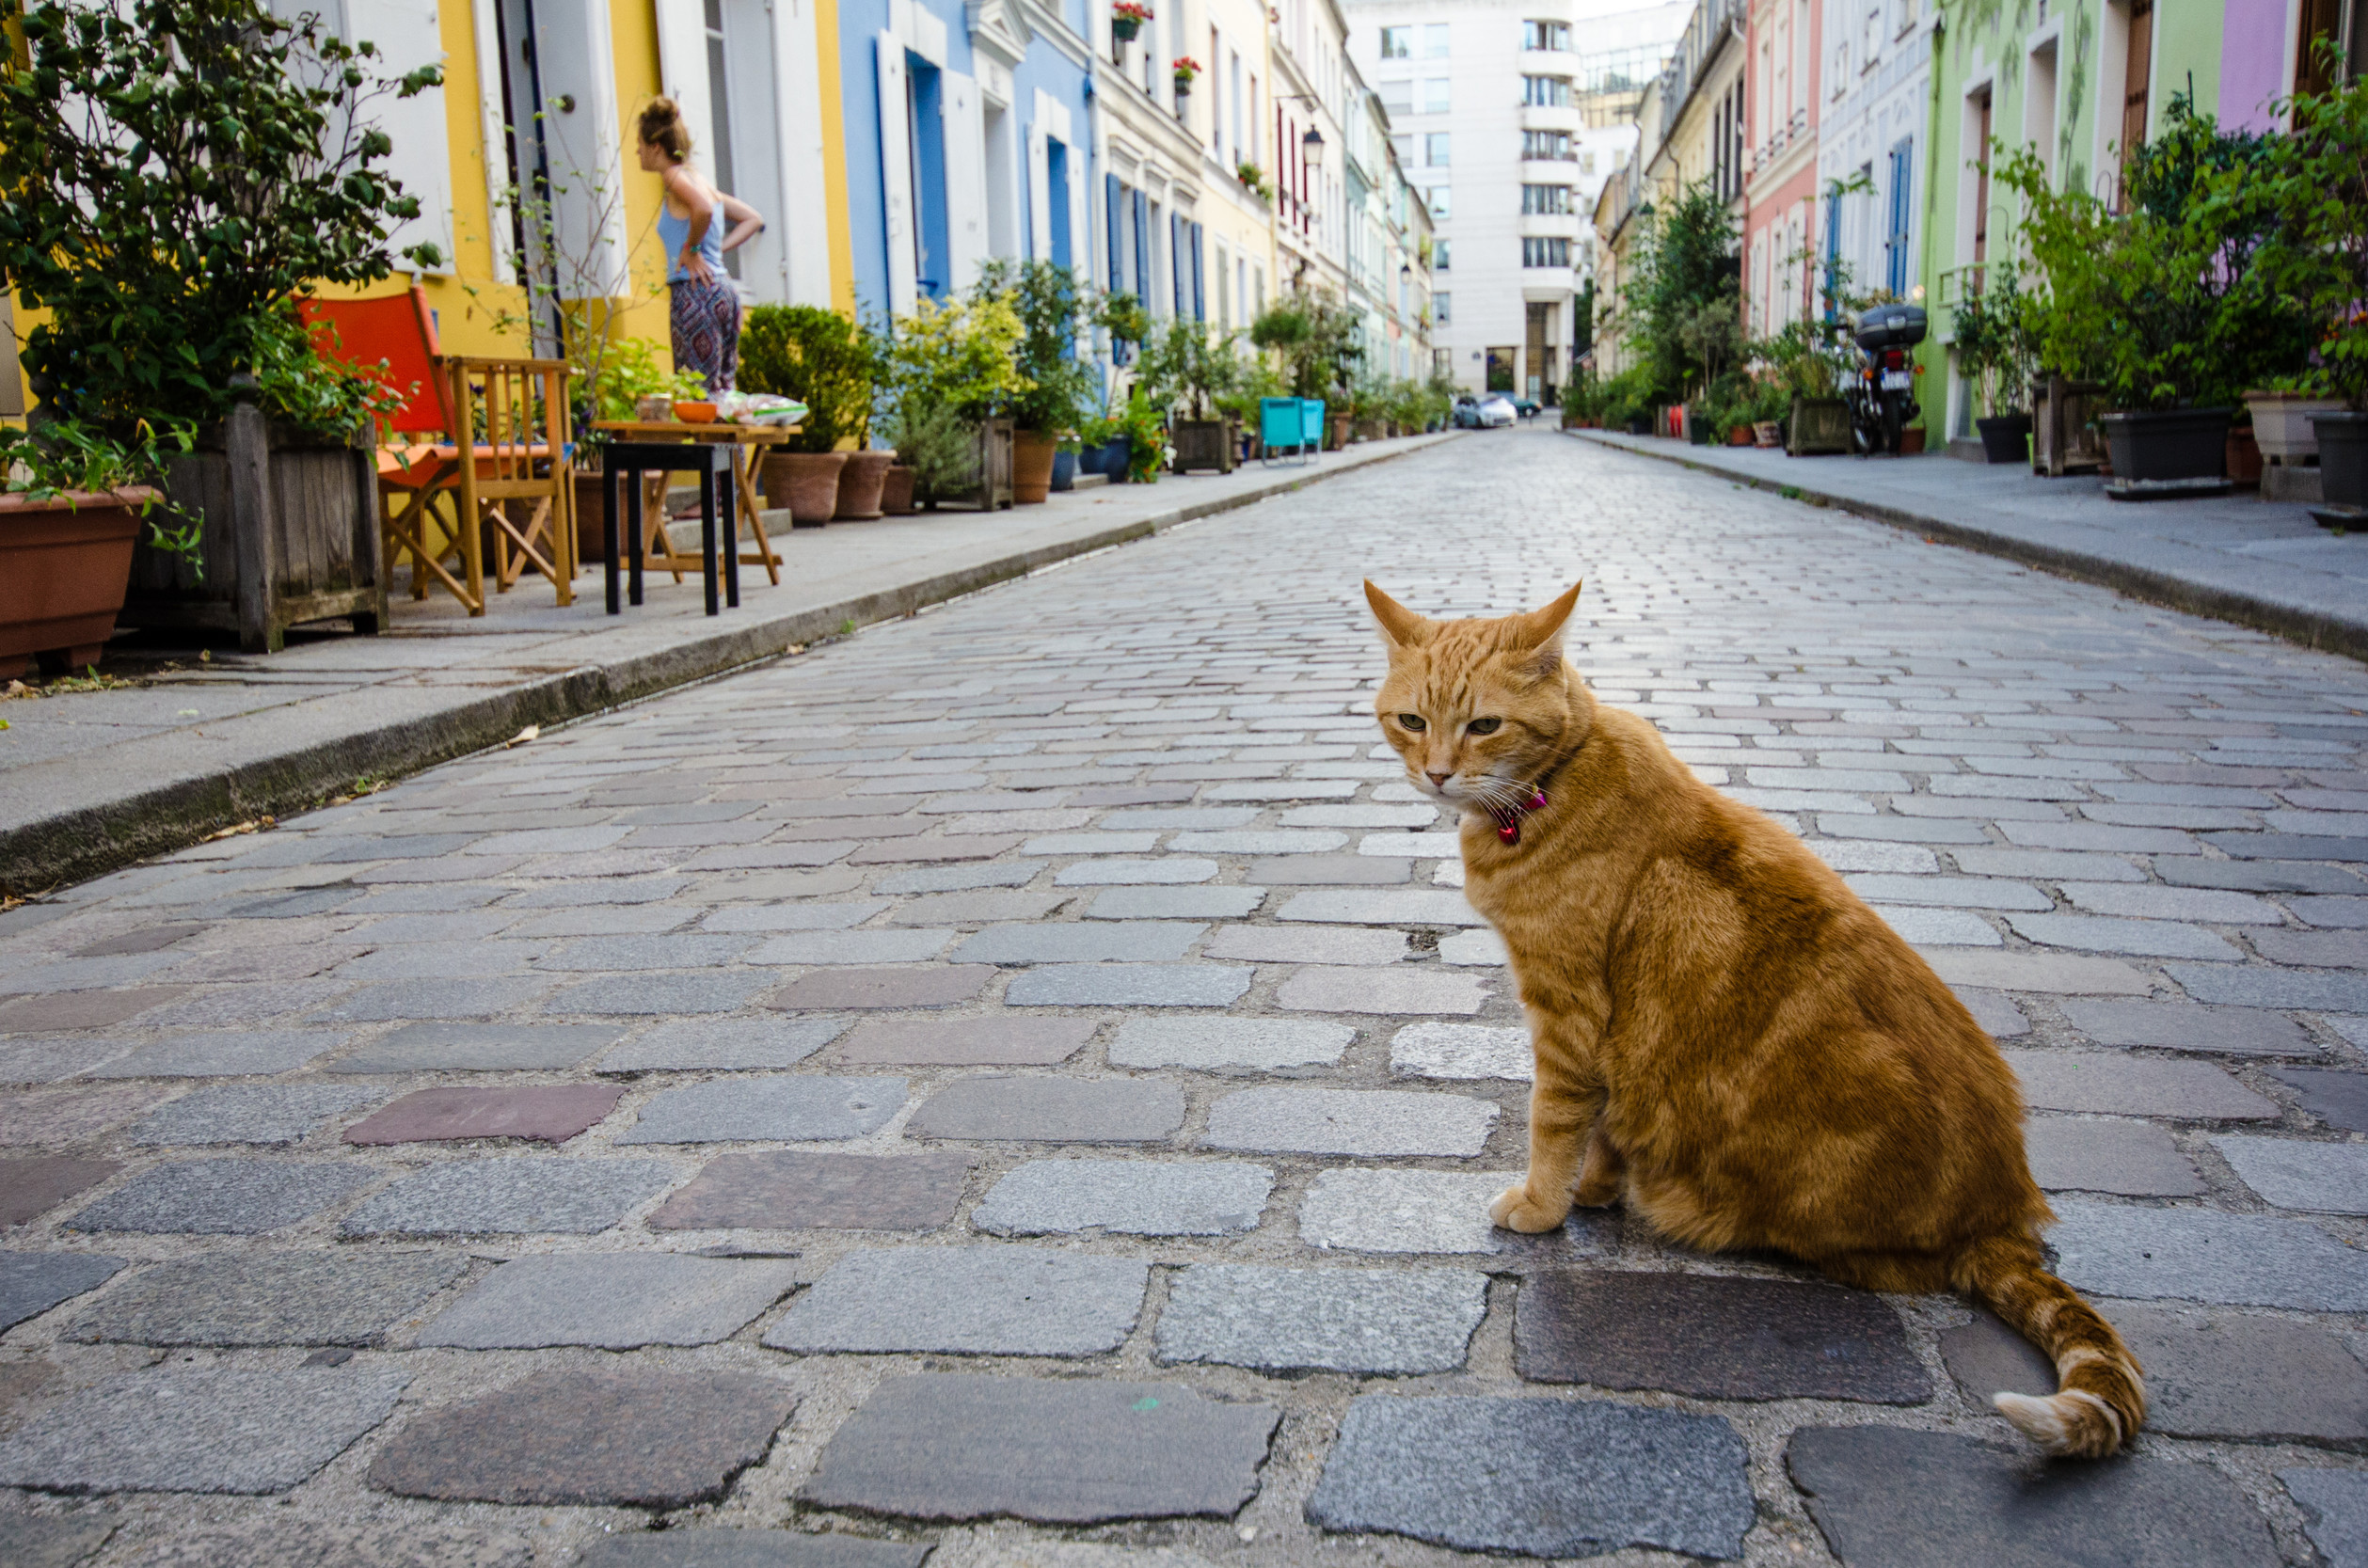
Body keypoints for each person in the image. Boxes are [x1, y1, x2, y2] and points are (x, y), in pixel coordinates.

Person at [636, 98, 766, 394]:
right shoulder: (699, 180)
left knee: (696, 392)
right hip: (723, 291)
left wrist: (692, 249)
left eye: (639, 145)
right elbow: (752, 219)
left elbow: (703, 210)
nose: (637, 152)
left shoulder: (673, 176)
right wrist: (715, 250)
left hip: (695, 293)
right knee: (723, 391)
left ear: (656, 147)